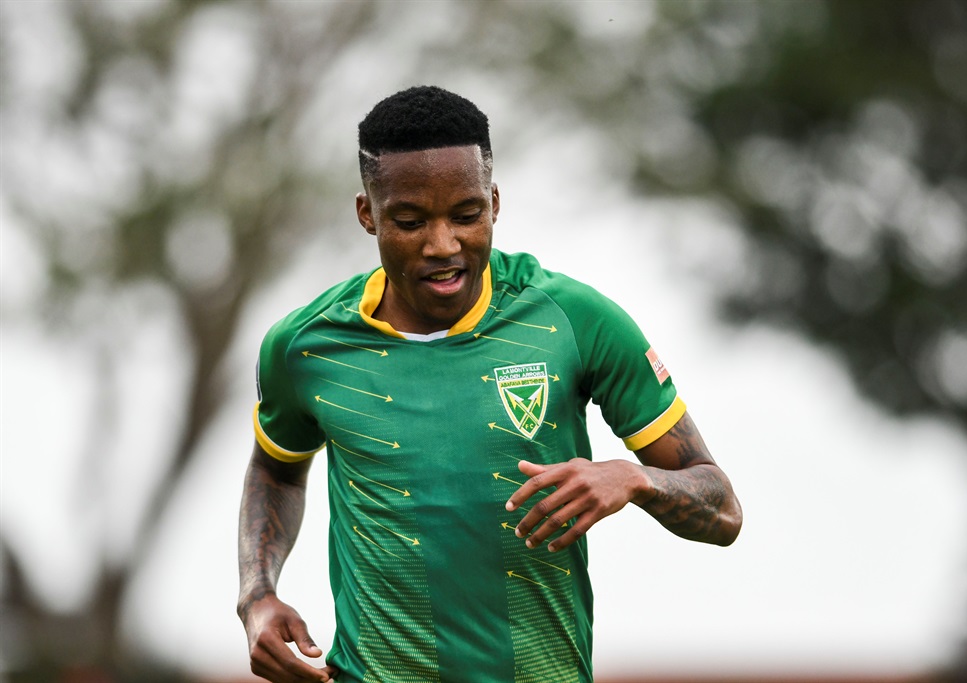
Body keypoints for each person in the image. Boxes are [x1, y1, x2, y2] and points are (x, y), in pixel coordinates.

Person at [237, 85, 742, 683]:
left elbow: (723, 509)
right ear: (367, 214)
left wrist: (633, 479)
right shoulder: (306, 346)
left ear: (495, 203)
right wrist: (257, 597)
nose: (443, 244)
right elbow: (275, 468)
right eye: (409, 221)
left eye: (467, 215)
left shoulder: (573, 321)